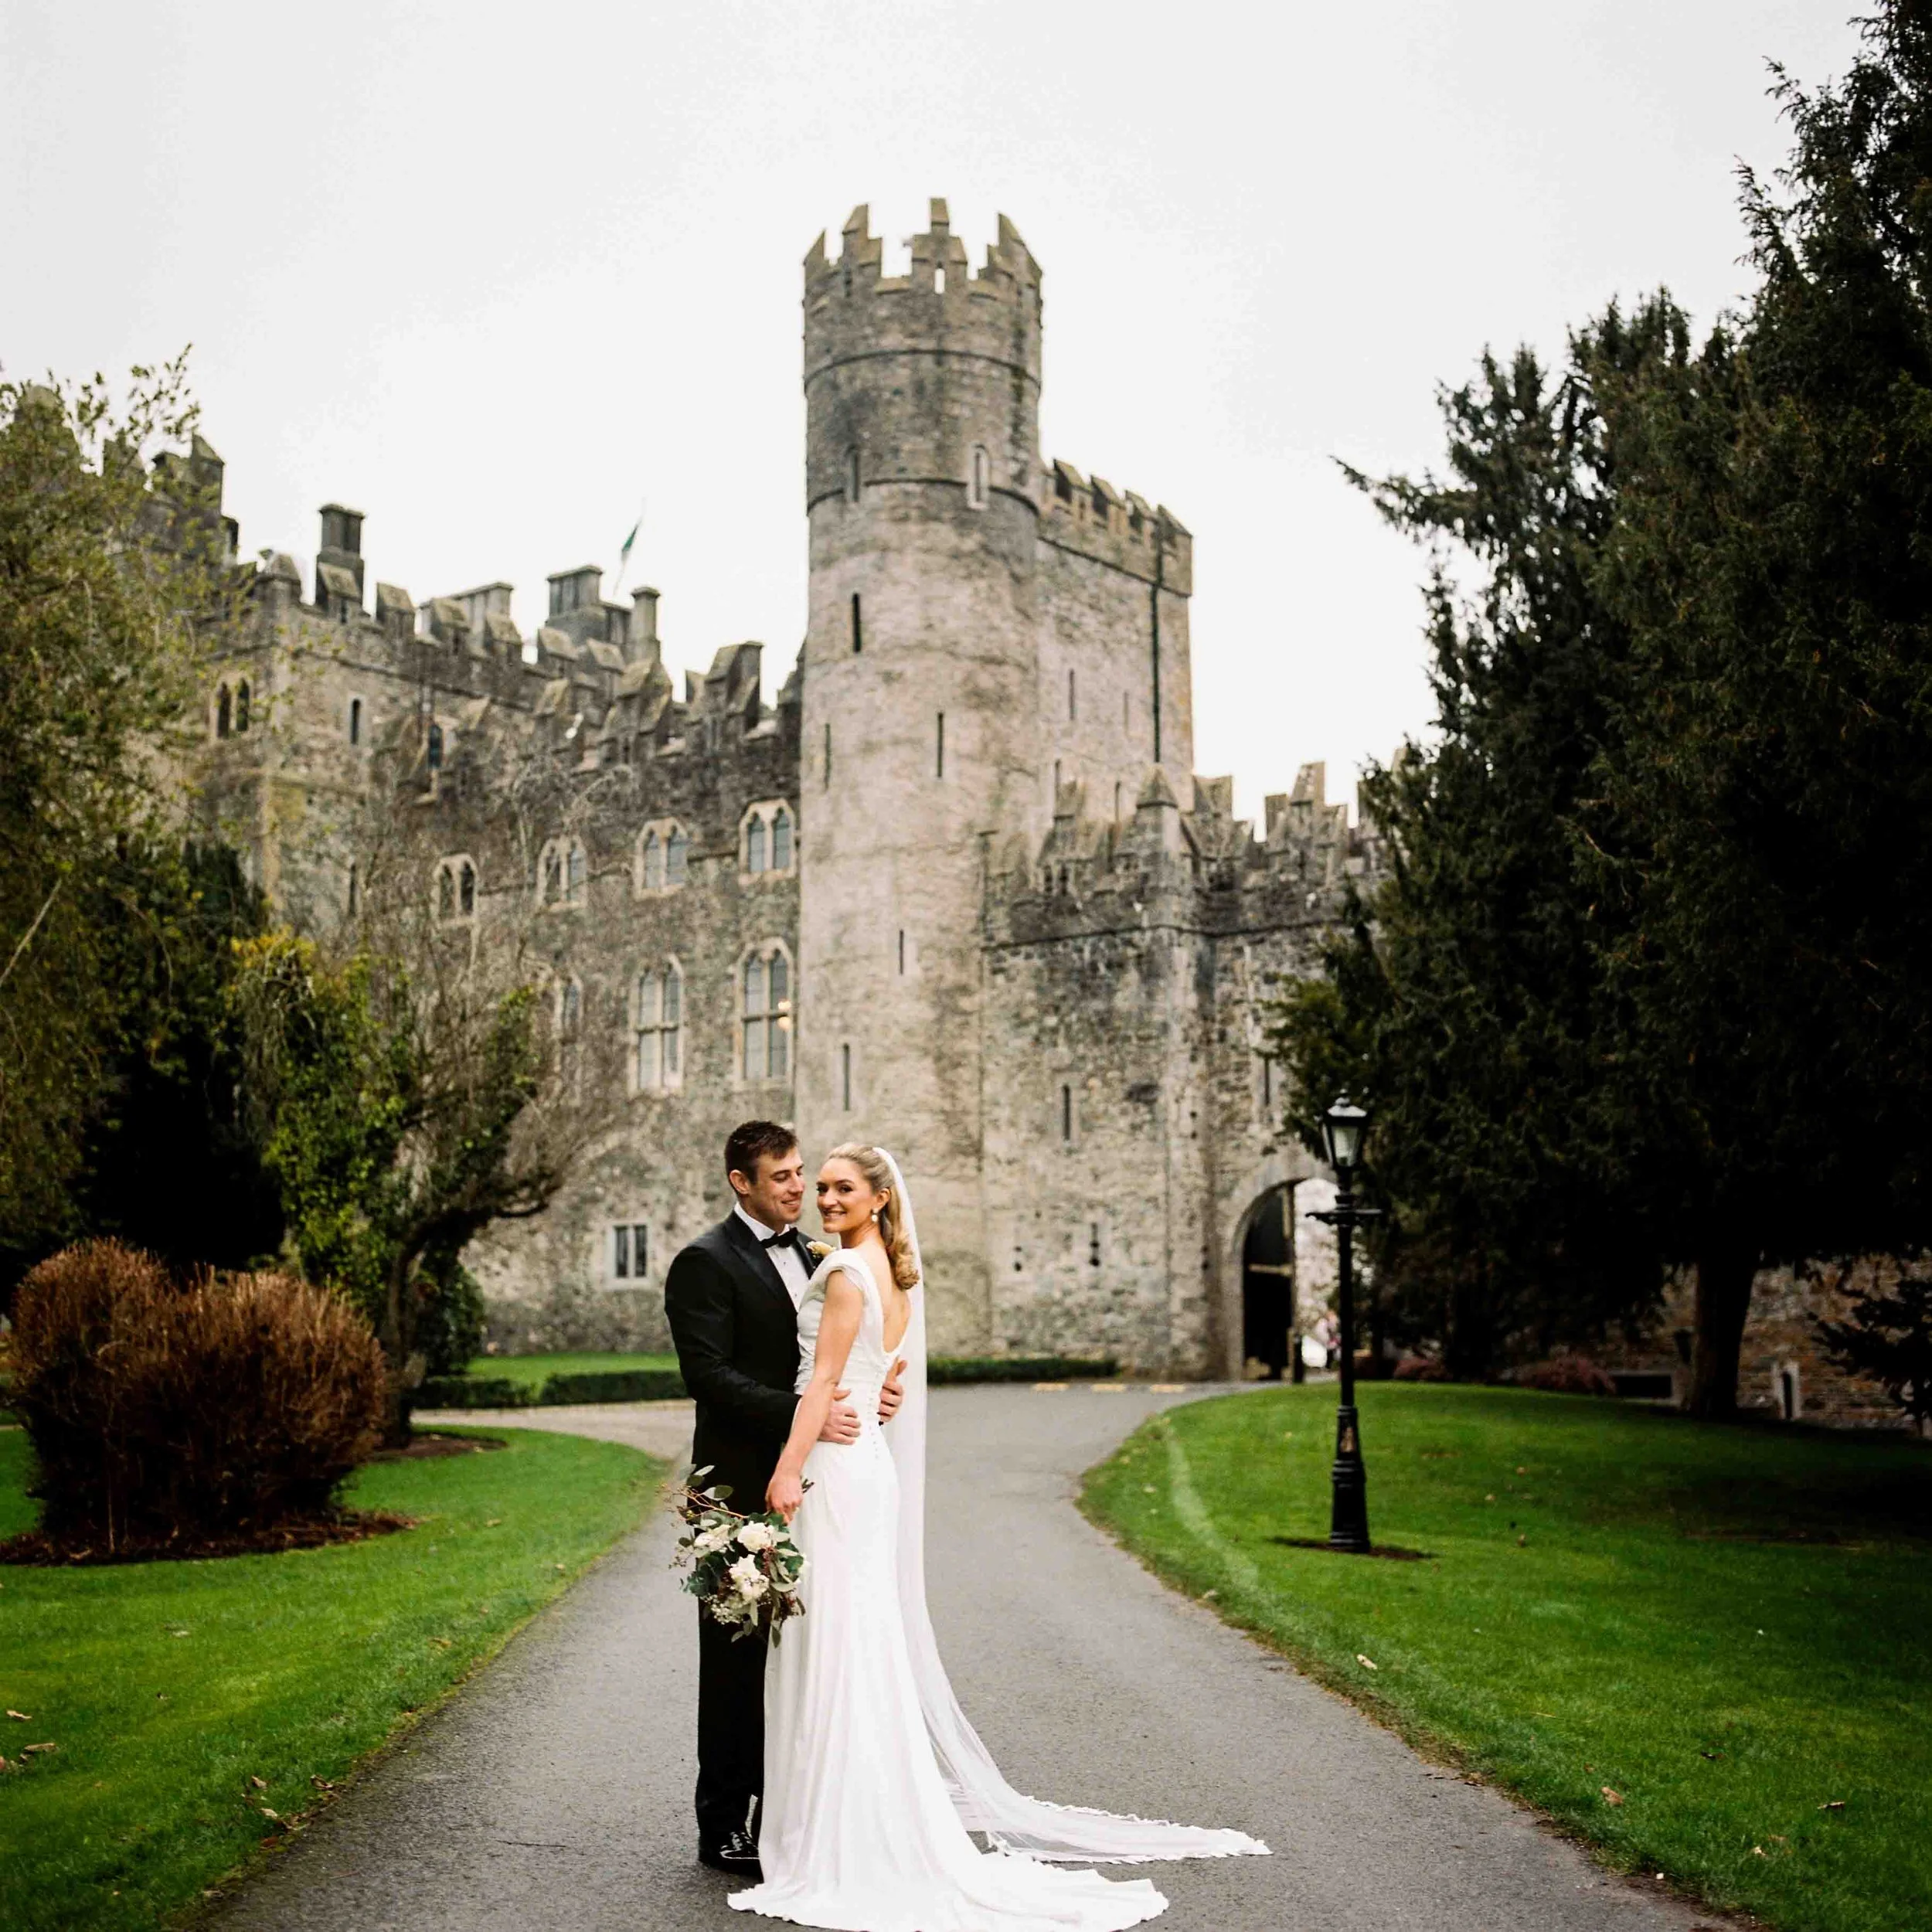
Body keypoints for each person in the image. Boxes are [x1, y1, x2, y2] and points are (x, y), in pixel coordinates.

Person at [730, 1144, 1268, 1932]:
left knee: (837, 1642)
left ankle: (837, 1829)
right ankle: (855, 1809)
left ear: (878, 1197)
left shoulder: (846, 1272)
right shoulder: (892, 1272)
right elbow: (884, 1379)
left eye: (842, 1187)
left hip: (834, 1468)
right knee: (855, 1639)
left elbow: (820, 1383)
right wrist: (863, 1398)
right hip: (863, 1464)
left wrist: (784, 1470)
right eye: (820, 1187)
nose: (825, 1198)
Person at [665, 1121, 904, 1877]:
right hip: (737, 1485)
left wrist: (874, 1391)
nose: (800, 1189)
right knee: (732, 1659)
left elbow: (837, 1352)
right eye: (783, 1177)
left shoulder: (816, 1254)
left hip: (819, 1480)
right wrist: (806, 1414)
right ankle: (723, 1824)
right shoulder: (702, 1263)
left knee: (809, 1650)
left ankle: (793, 1810)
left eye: (804, 1174)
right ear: (742, 1182)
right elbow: (708, 1377)